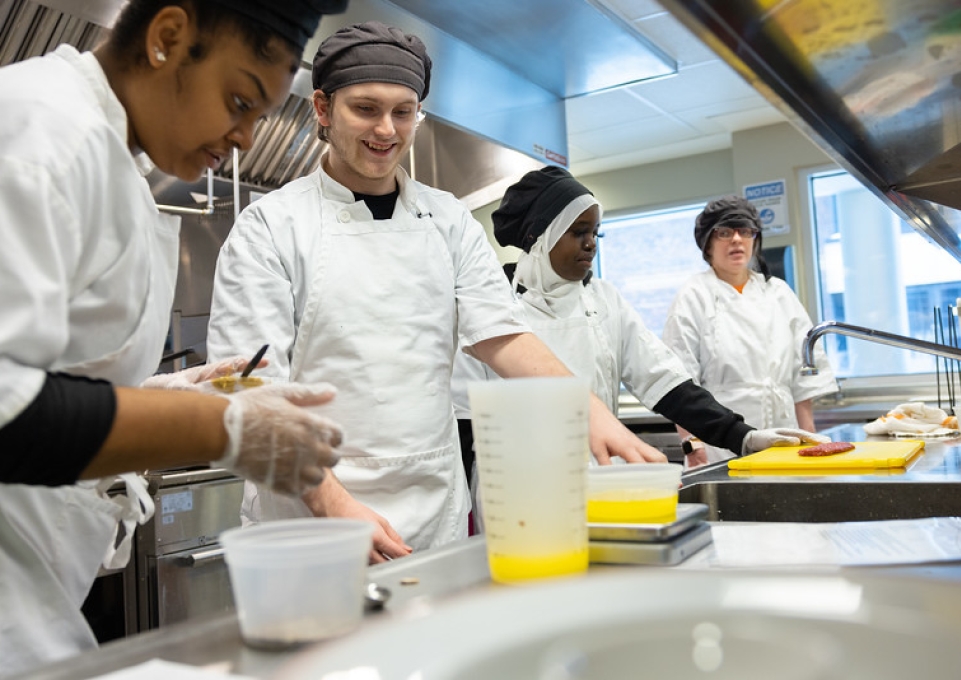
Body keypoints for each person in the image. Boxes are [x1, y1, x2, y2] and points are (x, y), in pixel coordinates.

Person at [205, 21, 690, 562]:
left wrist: (587, 411)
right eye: (365, 109)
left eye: (403, 111)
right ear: (322, 108)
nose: (387, 130)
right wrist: (334, 505)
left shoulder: (448, 218)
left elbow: (502, 334)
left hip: (430, 512)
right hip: (311, 519)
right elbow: (247, 389)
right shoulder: (270, 226)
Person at [0, 1, 348, 674]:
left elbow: (39, 370)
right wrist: (212, 426)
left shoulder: (108, 151)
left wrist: (156, 393)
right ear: (166, 38)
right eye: (239, 99)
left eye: (261, 115)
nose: (244, 137)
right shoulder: (44, 132)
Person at [453, 167, 827, 484]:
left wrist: (742, 436)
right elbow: (464, 425)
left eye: (595, 233)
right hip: (518, 492)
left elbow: (668, 384)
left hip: (601, 480)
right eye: (578, 232)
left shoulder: (603, 299)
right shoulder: (493, 306)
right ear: (539, 235)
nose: (590, 244)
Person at [662, 194, 838, 467]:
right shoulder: (693, 296)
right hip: (719, 441)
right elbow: (680, 381)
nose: (736, 239)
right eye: (724, 232)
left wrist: (810, 436)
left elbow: (803, 373)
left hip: (785, 435)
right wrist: (692, 444)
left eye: (745, 231)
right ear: (707, 244)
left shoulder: (778, 292)